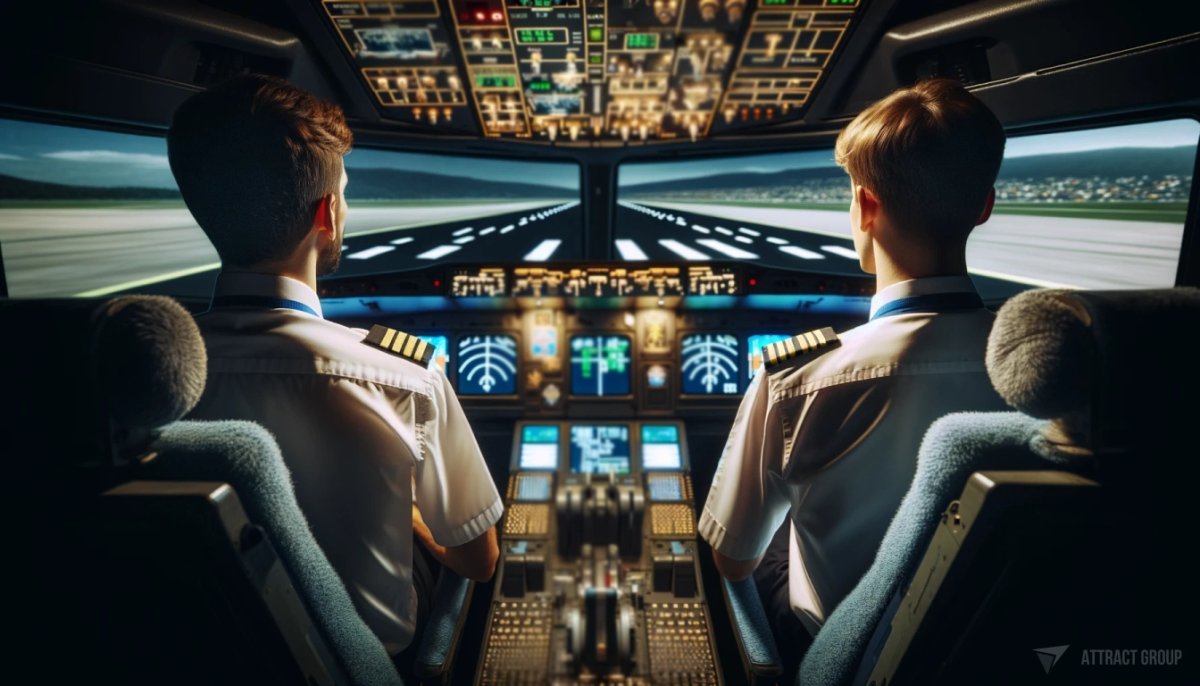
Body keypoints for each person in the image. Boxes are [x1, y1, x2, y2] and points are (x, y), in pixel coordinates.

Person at [167, 74, 502, 666]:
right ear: (327, 214)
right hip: (368, 662)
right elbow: (479, 560)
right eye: (343, 193)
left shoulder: (156, 380)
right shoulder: (405, 378)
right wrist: (413, 517)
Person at [698, 78, 1011, 680]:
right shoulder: (1047, 374)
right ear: (984, 207)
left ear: (866, 207)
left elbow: (732, 560)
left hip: (846, 656)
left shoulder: (798, 380)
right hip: (996, 646)